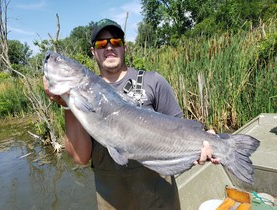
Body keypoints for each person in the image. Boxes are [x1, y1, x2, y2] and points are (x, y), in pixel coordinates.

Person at [43, 18, 219, 210]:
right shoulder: (79, 95)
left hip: (160, 201)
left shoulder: (153, 82)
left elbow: (180, 128)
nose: (109, 47)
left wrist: (207, 142)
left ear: (124, 47)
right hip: (113, 202)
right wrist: (66, 104)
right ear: (93, 52)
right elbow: (80, 158)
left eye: (115, 42)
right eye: (102, 44)